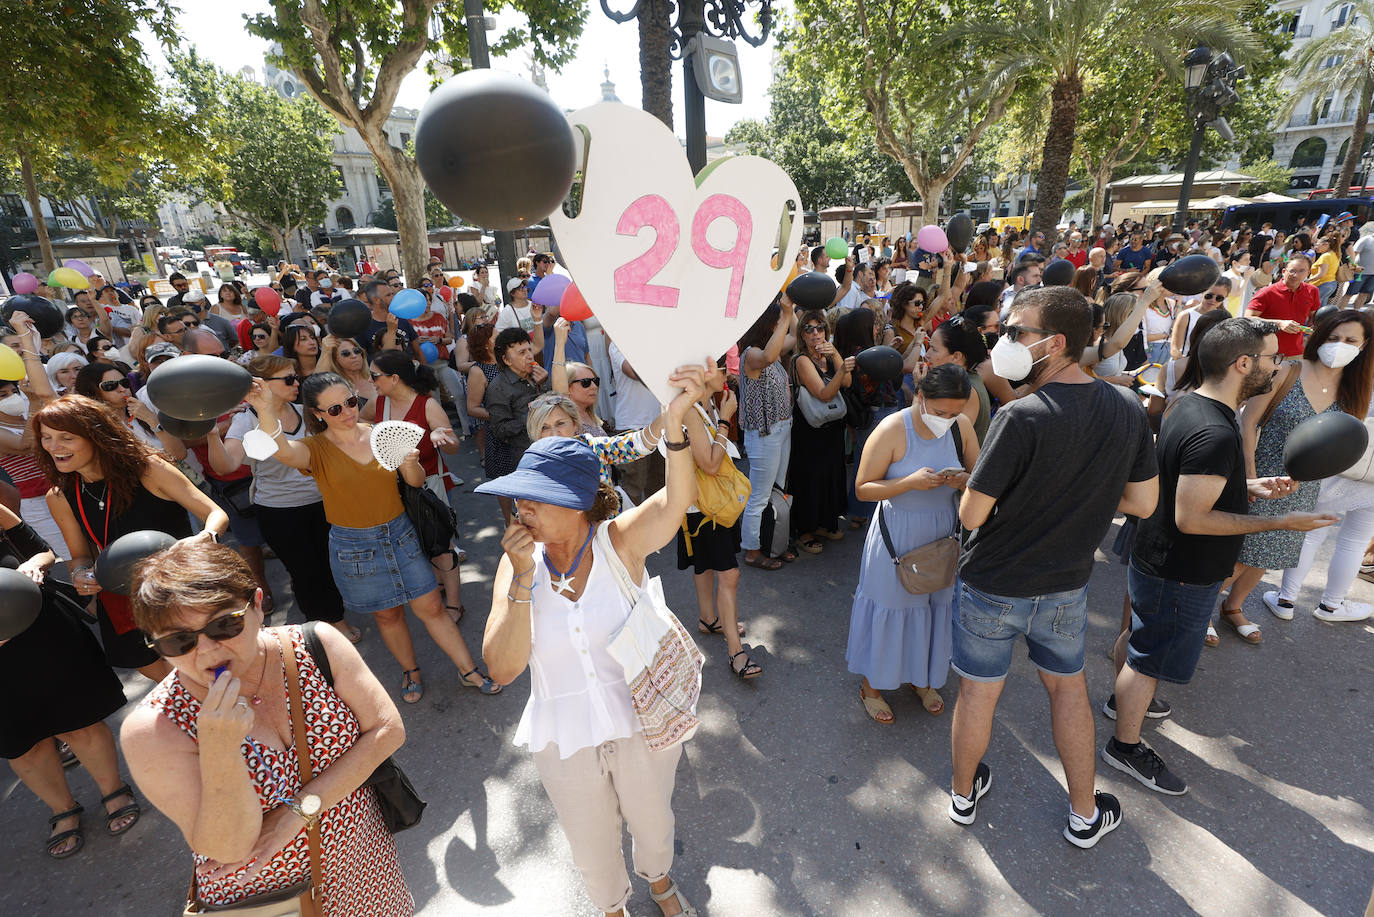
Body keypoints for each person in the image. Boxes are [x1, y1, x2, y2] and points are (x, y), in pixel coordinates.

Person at [480, 365, 708, 917]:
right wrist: (524, 582)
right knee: (590, 844)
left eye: (537, 498)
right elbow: (502, 669)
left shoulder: (617, 541)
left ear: (581, 503)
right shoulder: (517, 566)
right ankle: (611, 906)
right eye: (519, 498)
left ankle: (658, 879)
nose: (522, 509)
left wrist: (676, 420)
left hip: (641, 721)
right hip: (565, 735)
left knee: (653, 823)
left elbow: (676, 501)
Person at [949, 286, 1158, 848]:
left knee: (977, 694)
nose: (1003, 340)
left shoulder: (1020, 416)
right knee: (1067, 691)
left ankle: (964, 796)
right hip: (1065, 588)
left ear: (1056, 342)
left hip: (992, 584)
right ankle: (1085, 814)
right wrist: (1083, 492)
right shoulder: (1126, 409)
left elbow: (972, 513)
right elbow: (1142, 503)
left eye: (1016, 332)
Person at [119, 541, 413, 916]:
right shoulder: (154, 729)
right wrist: (220, 750)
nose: (208, 650)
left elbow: (387, 729)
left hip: (366, 866)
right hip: (269, 899)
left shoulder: (314, 645)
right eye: (180, 640)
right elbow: (227, 849)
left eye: (225, 623)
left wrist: (296, 813)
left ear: (257, 604)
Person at [1107, 317, 1334, 797]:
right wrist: (1279, 521)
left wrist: (1246, 486)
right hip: (1181, 567)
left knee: (1141, 640)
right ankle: (1125, 746)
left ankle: (1120, 701)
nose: (1280, 366)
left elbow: (1186, 482)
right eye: (1273, 357)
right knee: (1148, 660)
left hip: (1160, 556)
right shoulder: (1217, 432)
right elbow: (1193, 517)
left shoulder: (1192, 406)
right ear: (1243, 363)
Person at [245, 371, 498, 702]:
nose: (347, 412)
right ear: (318, 414)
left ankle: (468, 670)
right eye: (334, 409)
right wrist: (266, 408)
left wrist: (409, 462)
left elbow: (416, 481)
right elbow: (282, 451)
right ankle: (411, 670)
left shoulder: (382, 434)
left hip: (401, 534)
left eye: (350, 402)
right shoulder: (315, 449)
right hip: (355, 546)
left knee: (432, 607)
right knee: (387, 615)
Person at [34, 395, 229, 681]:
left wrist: (205, 537)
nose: (54, 447)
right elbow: (80, 555)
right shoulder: (60, 494)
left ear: (96, 436)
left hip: (182, 587)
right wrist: (80, 573)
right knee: (170, 680)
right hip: (122, 597)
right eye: (46, 437)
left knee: (213, 671)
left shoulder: (148, 468)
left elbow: (215, 514)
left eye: (66, 437)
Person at [1219, 309, 1374, 641]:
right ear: (1319, 337)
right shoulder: (1288, 370)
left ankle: (1233, 607)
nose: (1340, 345)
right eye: (1334, 338)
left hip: (1302, 485)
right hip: (1258, 475)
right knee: (1237, 552)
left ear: (1363, 347)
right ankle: (1197, 610)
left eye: (1350, 340)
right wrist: (1250, 477)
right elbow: (1248, 424)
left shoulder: (1354, 391)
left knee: (1271, 552)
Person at [0, 502, 139, 859]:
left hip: (38, 627)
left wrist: (34, 565)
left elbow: (41, 550)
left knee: (79, 721)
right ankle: (63, 808)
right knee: (22, 743)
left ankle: (114, 790)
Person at [849, 365, 979, 725]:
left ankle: (921, 678)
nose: (947, 420)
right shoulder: (893, 428)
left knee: (933, 607)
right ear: (920, 397)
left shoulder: (961, 428)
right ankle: (871, 687)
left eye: (955, 413)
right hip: (897, 535)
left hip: (941, 533)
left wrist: (964, 482)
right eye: (940, 412)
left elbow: (979, 479)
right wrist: (908, 483)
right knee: (891, 607)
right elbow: (863, 488)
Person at [208, 356, 357, 642]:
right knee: (306, 571)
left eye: (295, 376)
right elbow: (226, 465)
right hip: (280, 510)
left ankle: (327, 614)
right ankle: (330, 627)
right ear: (261, 386)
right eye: (288, 379)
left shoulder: (306, 410)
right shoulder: (246, 419)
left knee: (328, 564)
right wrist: (212, 434)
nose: (296, 383)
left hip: (325, 502)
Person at [370, 350, 467, 624]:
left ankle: (455, 603)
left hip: (429, 486)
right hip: (394, 487)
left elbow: (456, 447)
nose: (372, 380)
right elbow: (362, 427)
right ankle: (437, 585)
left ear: (395, 378)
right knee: (414, 541)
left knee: (441, 543)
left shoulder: (427, 405)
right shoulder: (378, 402)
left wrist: (441, 438)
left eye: (375, 376)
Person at [788, 310, 854, 554]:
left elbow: (846, 384)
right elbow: (824, 393)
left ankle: (825, 523)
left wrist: (835, 354)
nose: (815, 333)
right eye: (809, 329)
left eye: (820, 328)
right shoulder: (801, 360)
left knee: (831, 476)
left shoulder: (828, 355)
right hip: (809, 430)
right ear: (802, 335)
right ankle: (804, 531)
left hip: (832, 428)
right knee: (810, 478)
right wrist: (841, 370)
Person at [738, 297, 796, 570]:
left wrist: (790, 310)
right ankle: (751, 550)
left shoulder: (768, 346)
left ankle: (774, 542)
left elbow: (794, 337)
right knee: (760, 495)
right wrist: (784, 316)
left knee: (778, 490)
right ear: (768, 325)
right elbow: (770, 356)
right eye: (777, 324)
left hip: (782, 429)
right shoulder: (750, 353)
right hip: (765, 434)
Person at [72, 362, 188, 460]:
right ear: (91, 392)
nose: (122, 389)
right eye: (110, 386)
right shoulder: (99, 432)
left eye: (124, 383)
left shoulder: (143, 411)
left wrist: (151, 419)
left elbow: (179, 454)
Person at [484, 326, 551, 475]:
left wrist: (545, 385)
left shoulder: (539, 376)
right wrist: (531, 418)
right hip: (525, 456)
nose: (529, 356)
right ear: (506, 360)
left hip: (549, 447)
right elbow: (499, 428)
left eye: (529, 350)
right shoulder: (498, 387)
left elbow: (556, 405)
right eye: (522, 352)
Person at [921, 315, 992, 443]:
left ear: (956, 357)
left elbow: (945, 442)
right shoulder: (959, 381)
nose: (927, 355)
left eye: (934, 349)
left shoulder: (965, 390)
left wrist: (919, 391)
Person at [1246, 255, 1318, 358]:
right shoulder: (1266, 292)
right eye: (1292, 271)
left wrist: (1312, 328)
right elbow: (1248, 319)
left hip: (1297, 353)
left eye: (1302, 271)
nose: (1295, 275)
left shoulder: (1313, 291)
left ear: (1308, 273)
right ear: (1284, 271)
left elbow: (1313, 317)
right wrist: (1279, 324)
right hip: (1267, 354)